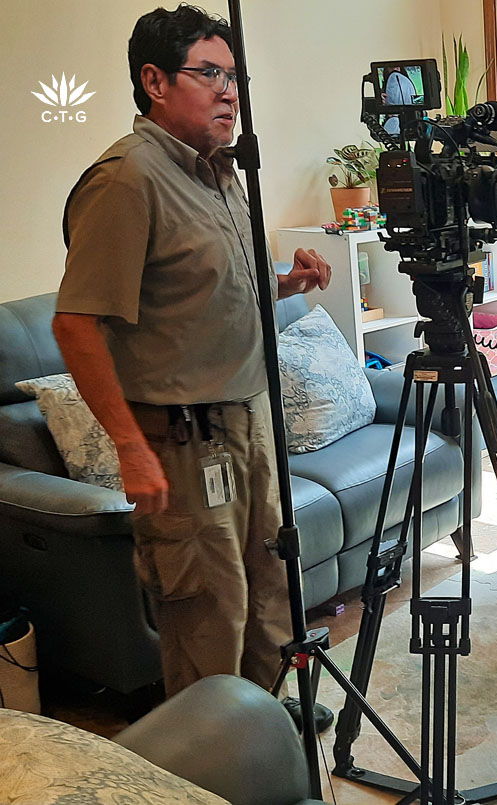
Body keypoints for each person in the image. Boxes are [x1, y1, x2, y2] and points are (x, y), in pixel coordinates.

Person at [52, 5, 334, 728]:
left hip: (250, 422)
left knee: (272, 594)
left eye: (234, 76)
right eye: (209, 73)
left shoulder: (221, 174)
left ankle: (269, 736)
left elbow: (211, 292)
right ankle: (214, 766)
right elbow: (76, 324)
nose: (229, 91)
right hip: (180, 443)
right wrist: (129, 447)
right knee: (211, 615)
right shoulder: (126, 181)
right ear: (153, 81)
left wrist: (288, 285)